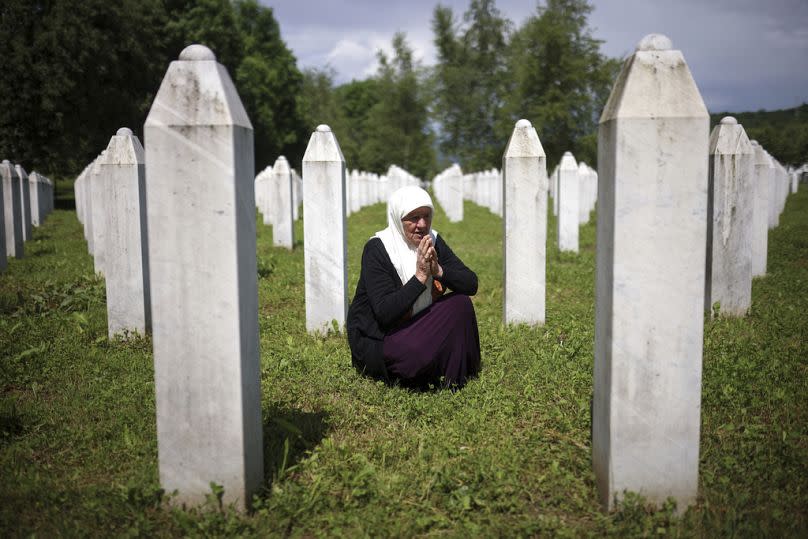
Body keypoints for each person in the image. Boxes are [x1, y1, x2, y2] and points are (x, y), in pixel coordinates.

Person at [347, 185, 481, 389]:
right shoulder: (377, 248)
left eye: (426, 216)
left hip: (415, 326)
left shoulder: (432, 241)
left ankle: (453, 376)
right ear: (397, 218)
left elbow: (471, 283)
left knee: (460, 303)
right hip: (382, 338)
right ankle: (427, 367)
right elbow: (385, 313)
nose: (422, 224)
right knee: (415, 352)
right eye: (413, 218)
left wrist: (438, 271)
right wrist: (420, 277)